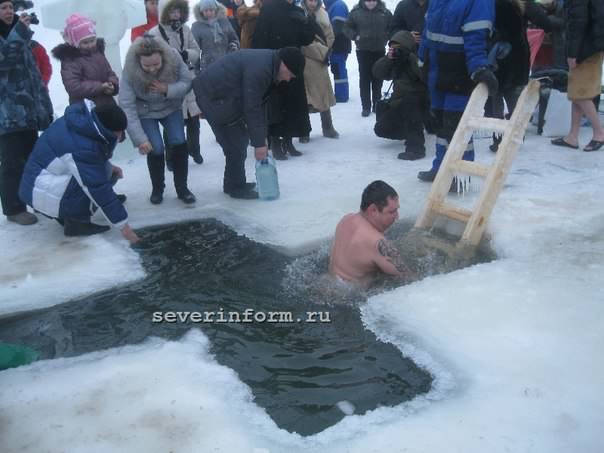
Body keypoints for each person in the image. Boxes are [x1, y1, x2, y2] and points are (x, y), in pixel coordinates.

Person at [18, 102, 140, 244]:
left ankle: (67, 214)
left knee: (104, 171)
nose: (120, 136)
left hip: (39, 184)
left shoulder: (83, 123)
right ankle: (76, 224)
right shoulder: (82, 146)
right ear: (106, 128)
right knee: (94, 182)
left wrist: (109, 167)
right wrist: (124, 227)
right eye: (118, 132)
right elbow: (97, 187)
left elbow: (89, 162)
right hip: (41, 190)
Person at [192, 47, 306, 199]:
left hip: (220, 96)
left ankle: (233, 184)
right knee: (236, 144)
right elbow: (252, 106)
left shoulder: (269, 65)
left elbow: (260, 104)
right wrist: (259, 144)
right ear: (285, 65)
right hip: (213, 97)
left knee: (238, 142)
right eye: (290, 74)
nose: (288, 79)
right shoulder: (262, 69)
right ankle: (235, 186)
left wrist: (262, 137)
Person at [416, 0, 496, 184]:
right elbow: (427, 31)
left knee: (458, 127)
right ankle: (440, 168)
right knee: (441, 124)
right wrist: (422, 59)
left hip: (460, 71)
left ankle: (461, 174)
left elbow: (477, 38)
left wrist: (478, 68)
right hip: (437, 69)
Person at [119, 34, 196, 205]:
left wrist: (167, 89)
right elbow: (126, 105)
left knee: (178, 141)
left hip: (170, 106)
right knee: (155, 148)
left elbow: (187, 82)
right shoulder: (130, 68)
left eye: (156, 64)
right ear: (139, 60)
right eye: (147, 66)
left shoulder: (173, 57)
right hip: (146, 111)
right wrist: (140, 139)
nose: (152, 69)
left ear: (163, 56)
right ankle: (157, 189)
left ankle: (182, 188)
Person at [0, 0, 53, 226]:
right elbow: (4, 61)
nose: (8, 11)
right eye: (3, 8)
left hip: (28, 110)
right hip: (6, 114)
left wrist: (43, 106)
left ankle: (36, 200)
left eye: (10, 7)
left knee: (32, 159)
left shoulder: (20, 34)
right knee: (12, 162)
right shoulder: (18, 35)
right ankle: (14, 208)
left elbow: (33, 73)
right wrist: (20, 32)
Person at [252, 0, 316, 159]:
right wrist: (263, 63)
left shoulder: (297, 11)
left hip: (293, 64)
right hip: (274, 64)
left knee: (294, 104)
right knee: (276, 104)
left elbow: (306, 39)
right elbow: (259, 37)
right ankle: (275, 141)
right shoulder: (269, 8)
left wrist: (309, 21)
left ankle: (288, 140)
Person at [329, 180, 413, 288]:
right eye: (392, 212)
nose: (397, 217)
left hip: (328, 282)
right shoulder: (378, 243)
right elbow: (409, 279)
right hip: (350, 293)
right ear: (373, 210)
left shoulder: (346, 219)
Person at [150, 0, 204, 166]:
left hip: (188, 79)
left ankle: (194, 149)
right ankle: (171, 157)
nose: (176, 15)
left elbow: (196, 50)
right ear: (164, 12)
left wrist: (187, 54)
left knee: (193, 119)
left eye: (178, 11)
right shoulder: (155, 33)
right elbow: (150, 57)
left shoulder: (185, 29)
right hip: (169, 82)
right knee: (172, 123)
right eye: (172, 11)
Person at [551, 0, 604, 152]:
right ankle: (573, 136)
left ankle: (599, 133)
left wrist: (572, 52)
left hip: (585, 47)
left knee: (580, 95)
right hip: (593, 44)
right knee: (578, 92)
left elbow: (578, 21)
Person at [372, 30, 427, 160]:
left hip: (420, 101)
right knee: (381, 129)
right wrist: (388, 58)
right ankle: (409, 131)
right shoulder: (395, 61)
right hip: (399, 101)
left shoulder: (417, 57)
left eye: (399, 48)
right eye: (393, 48)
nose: (396, 51)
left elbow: (425, 76)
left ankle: (416, 148)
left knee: (410, 104)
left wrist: (411, 57)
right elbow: (378, 73)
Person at [51, 14, 119, 108]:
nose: (90, 45)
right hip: (85, 108)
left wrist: (112, 84)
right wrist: (100, 87)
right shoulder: (71, 59)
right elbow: (73, 86)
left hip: (107, 102)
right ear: (75, 42)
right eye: (85, 42)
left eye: (92, 40)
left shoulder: (97, 53)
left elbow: (109, 72)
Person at [343, 0, 393, 117]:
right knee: (364, 79)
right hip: (363, 51)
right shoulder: (356, 12)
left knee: (378, 77)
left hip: (379, 50)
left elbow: (392, 27)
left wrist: (386, 37)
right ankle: (365, 106)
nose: (371, 3)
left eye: (373, 0)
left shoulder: (385, 13)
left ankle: (376, 104)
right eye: (368, 1)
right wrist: (355, 36)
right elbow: (346, 27)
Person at [300, 0, 339, 141]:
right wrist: (318, 50)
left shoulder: (323, 14)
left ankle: (328, 127)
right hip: (304, 60)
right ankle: (304, 131)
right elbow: (298, 38)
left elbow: (330, 35)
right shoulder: (299, 14)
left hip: (320, 61)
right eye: (310, 0)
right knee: (304, 97)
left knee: (323, 93)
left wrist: (324, 50)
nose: (312, 3)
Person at [192, 0, 240, 73]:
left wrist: (233, 47)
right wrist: (196, 70)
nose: (209, 13)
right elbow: (195, 49)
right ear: (201, 12)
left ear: (216, 10)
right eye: (206, 11)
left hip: (227, 62)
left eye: (211, 10)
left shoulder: (224, 22)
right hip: (208, 66)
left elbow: (234, 39)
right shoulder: (197, 26)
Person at [323, 0, 351, 103]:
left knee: (339, 69)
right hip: (337, 45)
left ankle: (342, 95)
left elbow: (337, 27)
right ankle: (340, 93)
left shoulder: (338, 5)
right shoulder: (332, 5)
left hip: (339, 45)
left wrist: (325, 39)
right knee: (336, 69)